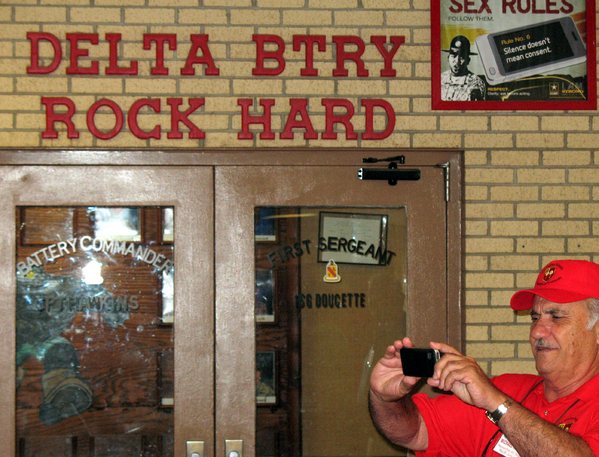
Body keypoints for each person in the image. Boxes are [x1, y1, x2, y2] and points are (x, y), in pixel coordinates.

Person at [369, 259, 599, 456]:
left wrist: (498, 405)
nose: (537, 331)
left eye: (556, 316)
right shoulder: (507, 390)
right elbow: (415, 431)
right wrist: (386, 399)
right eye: (535, 318)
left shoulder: (497, 398)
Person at [441, 35, 486, 101]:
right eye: (453, 56)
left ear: (468, 60)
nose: (457, 61)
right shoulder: (440, 79)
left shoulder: (476, 83)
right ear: (448, 58)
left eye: (462, 57)